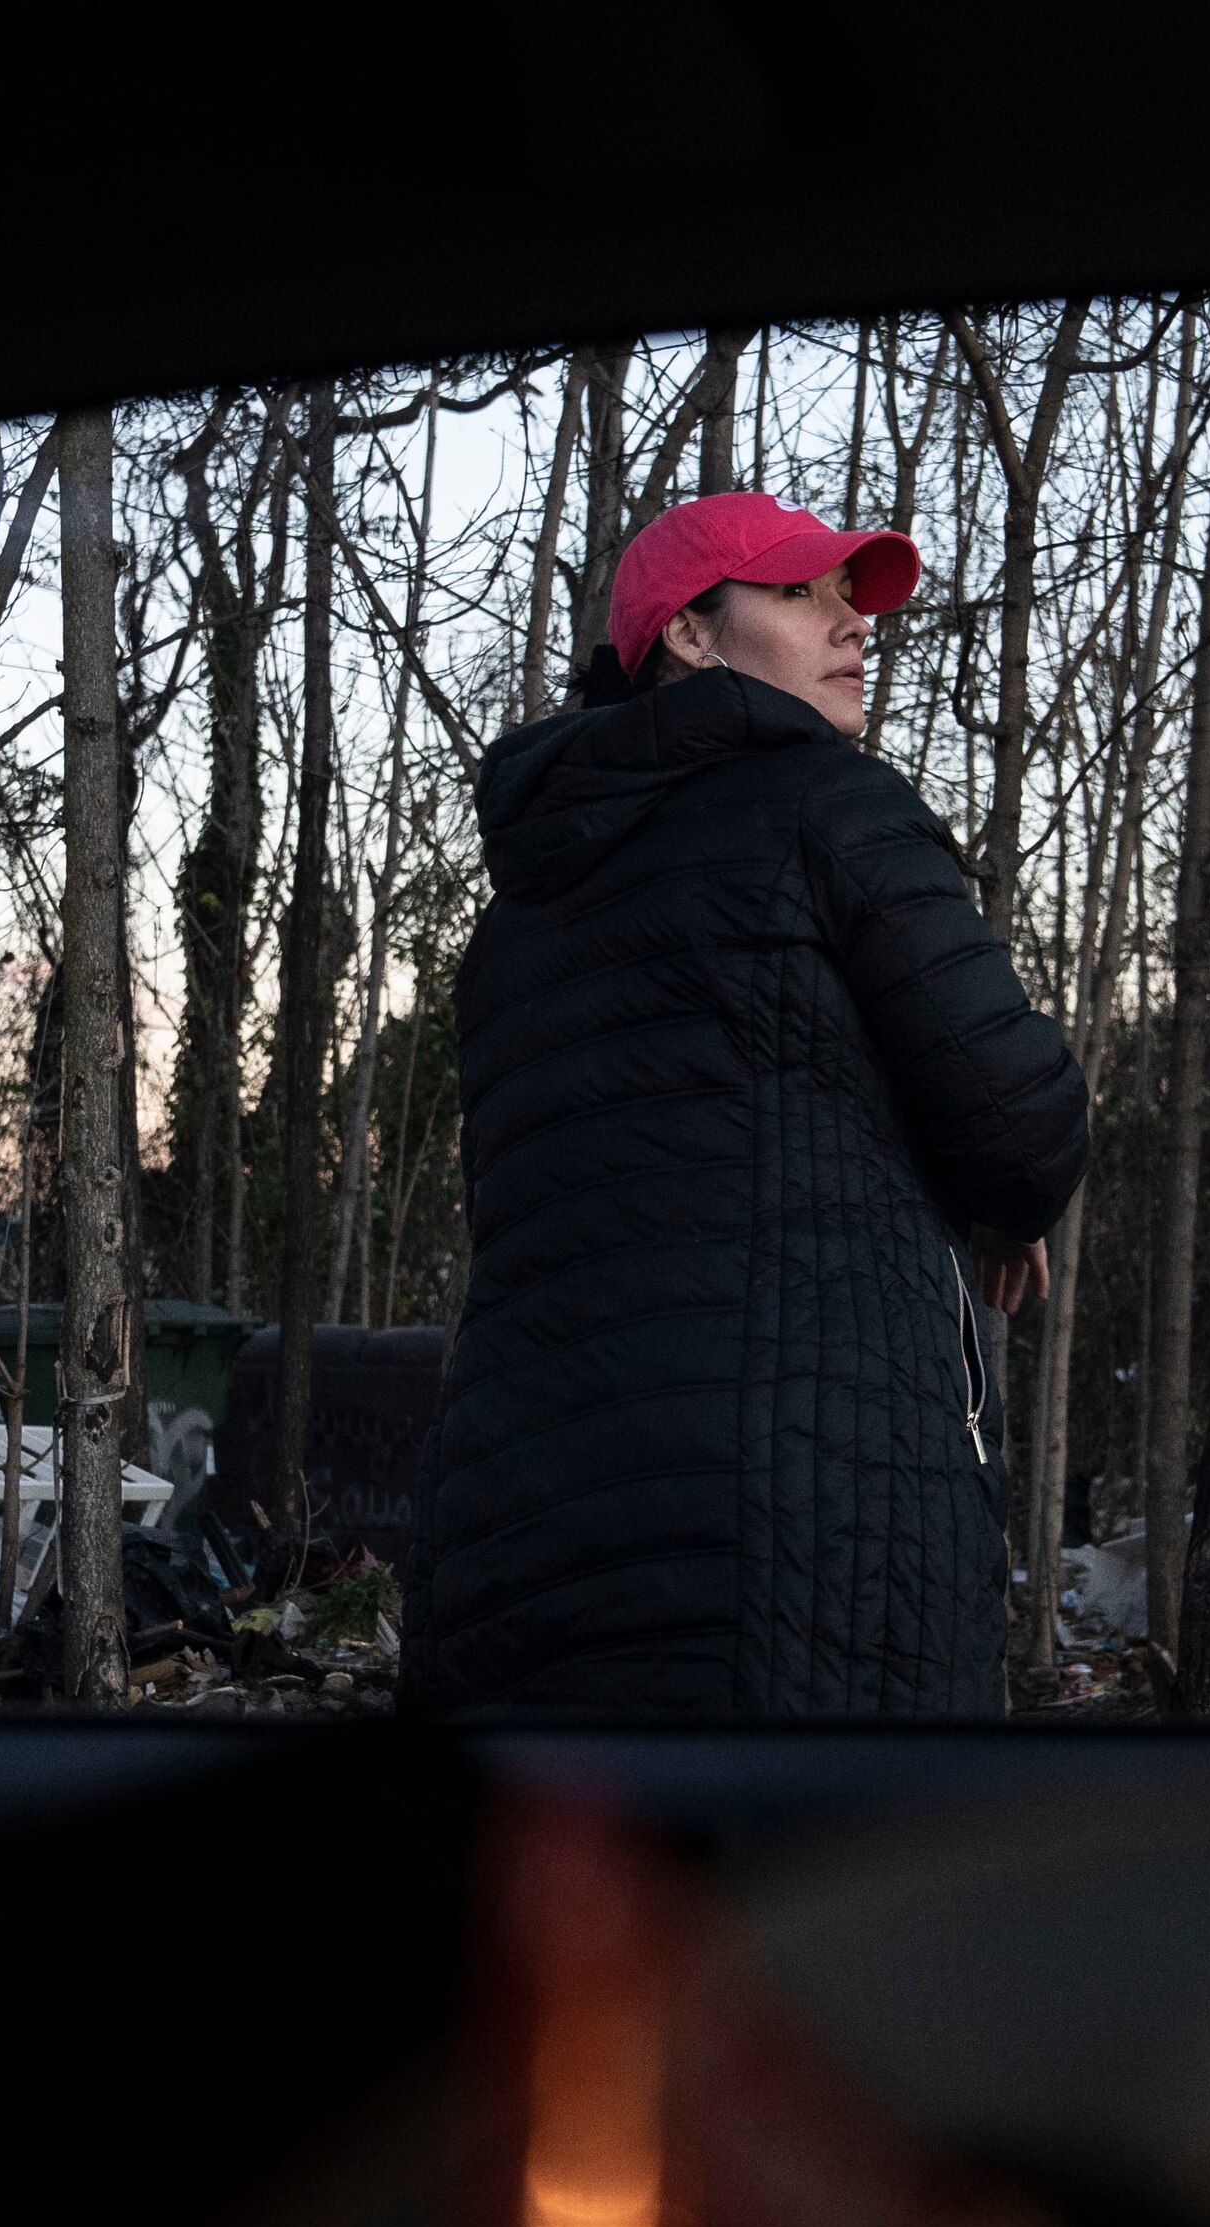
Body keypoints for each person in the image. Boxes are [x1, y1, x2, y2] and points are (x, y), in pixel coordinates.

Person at [412, 490, 1088, 1717]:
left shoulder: (512, 924)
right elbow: (1021, 1123)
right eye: (797, 593)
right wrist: (999, 1204)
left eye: (847, 596)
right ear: (690, 635)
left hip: (512, 1551)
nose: (851, 624)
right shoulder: (829, 807)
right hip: (801, 1553)